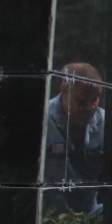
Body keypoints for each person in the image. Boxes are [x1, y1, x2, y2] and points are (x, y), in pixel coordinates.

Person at [46, 62, 105, 214]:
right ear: (65, 91)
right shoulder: (43, 119)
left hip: (89, 212)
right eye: (83, 100)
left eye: (95, 99)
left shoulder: (106, 123)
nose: (91, 106)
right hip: (49, 214)